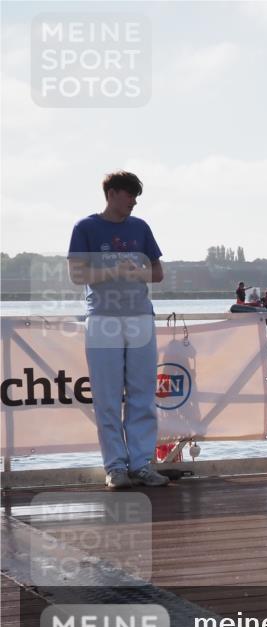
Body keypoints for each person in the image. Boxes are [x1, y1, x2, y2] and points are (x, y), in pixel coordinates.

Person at [67, 171, 169, 489]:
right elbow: (76, 274)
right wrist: (114, 270)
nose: (134, 202)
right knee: (107, 397)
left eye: (136, 197)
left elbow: (158, 273)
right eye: (129, 195)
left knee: (142, 395)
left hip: (140, 319)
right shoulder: (85, 227)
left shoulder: (140, 228)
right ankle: (116, 468)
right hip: (103, 321)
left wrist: (138, 272)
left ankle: (141, 464)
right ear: (112, 193)